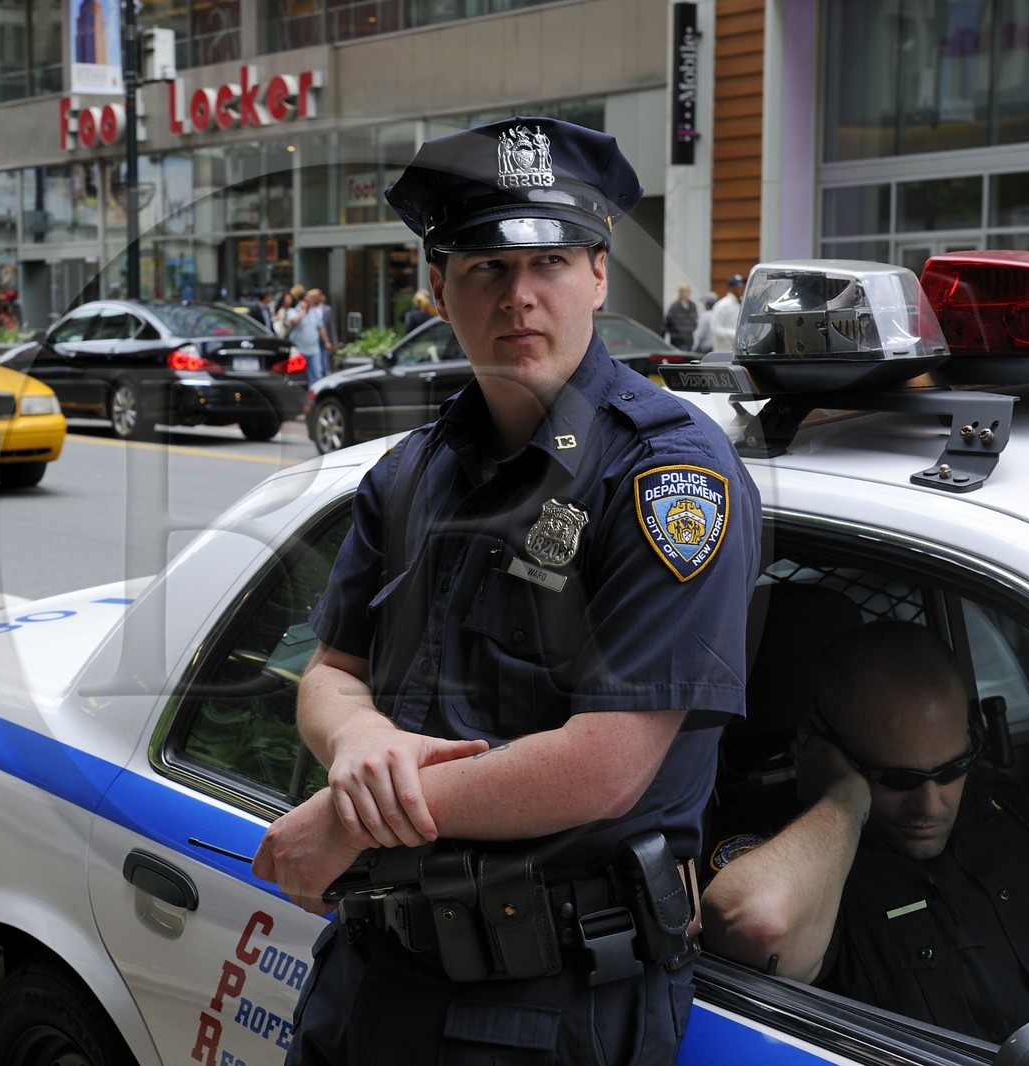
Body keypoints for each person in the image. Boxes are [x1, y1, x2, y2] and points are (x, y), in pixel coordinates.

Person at [251, 116, 762, 1064]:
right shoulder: (408, 472)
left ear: (598, 275)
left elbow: (606, 764)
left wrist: (353, 814)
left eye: (549, 263)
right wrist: (357, 740)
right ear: (439, 286)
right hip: (367, 973)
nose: (519, 296)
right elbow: (331, 670)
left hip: (546, 1004)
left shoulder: (667, 476)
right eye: (486, 266)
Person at [701, 619, 1029, 1043]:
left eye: (952, 769)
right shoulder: (786, 859)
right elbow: (763, 930)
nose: (931, 805)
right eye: (896, 779)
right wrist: (843, 797)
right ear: (824, 749)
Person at [285, 287, 334, 381]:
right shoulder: (293, 311)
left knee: (317, 373)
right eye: (308, 300)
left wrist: (327, 342)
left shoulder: (314, 312)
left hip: (314, 349)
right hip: (299, 350)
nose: (311, 302)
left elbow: (321, 327)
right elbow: (295, 321)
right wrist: (303, 311)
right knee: (299, 376)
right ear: (301, 301)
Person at [709, 273, 745, 353]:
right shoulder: (722, 305)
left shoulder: (742, 304)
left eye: (742, 285)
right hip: (723, 350)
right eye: (738, 286)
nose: (741, 288)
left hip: (739, 350)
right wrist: (735, 336)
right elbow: (715, 328)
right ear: (731, 288)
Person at [663, 283, 699, 350]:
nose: (687, 294)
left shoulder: (692, 305)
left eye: (688, 292)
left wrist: (693, 326)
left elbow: (696, 320)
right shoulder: (674, 306)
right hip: (677, 340)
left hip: (689, 339)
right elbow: (667, 323)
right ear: (681, 293)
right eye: (685, 292)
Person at [690, 290, 718, 355]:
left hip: (705, 348)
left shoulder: (705, 315)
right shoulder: (717, 314)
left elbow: (700, 335)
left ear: (707, 303)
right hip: (715, 347)